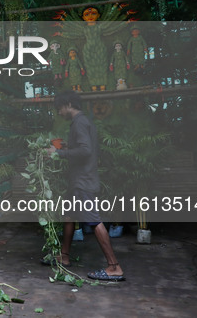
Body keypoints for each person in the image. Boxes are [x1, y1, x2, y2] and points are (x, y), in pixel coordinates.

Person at [44, 91, 125, 281]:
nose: (59, 112)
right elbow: (82, 146)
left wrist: (58, 153)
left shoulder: (80, 122)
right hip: (80, 180)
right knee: (69, 215)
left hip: (83, 181)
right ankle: (64, 257)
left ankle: (114, 267)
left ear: (69, 104)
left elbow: (85, 150)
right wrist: (64, 147)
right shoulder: (84, 122)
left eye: (59, 108)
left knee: (94, 220)